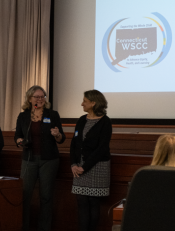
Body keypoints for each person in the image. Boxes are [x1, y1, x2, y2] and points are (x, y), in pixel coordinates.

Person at [14, 85, 66, 231]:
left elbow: (62, 138)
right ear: (30, 99)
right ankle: (23, 227)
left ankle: (44, 228)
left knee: (46, 197)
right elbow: (17, 135)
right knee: (25, 195)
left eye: (42, 96)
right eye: (37, 96)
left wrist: (57, 134)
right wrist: (19, 141)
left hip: (49, 160)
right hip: (29, 159)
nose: (40, 99)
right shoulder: (23, 116)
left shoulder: (53, 114)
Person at [70, 90, 112, 231]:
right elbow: (74, 143)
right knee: (81, 203)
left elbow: (102, 148)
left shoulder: (105, 122)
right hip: (79, 168)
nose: (82, 104)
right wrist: (74, 164)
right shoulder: (82, 120)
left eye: (85, 101)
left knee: (93, 203)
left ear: (93, 103)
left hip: (97, 167)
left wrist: (84, 167)